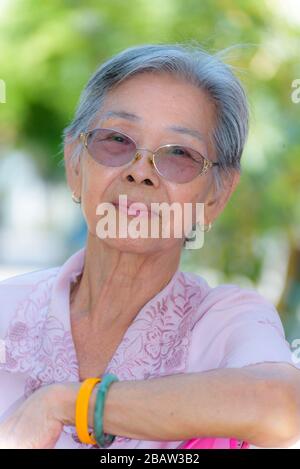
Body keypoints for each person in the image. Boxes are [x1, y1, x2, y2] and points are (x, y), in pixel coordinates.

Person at [0, 43, 299, 449]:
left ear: (216, 195)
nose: (141, 172)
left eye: (179, 154)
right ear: (74, 164)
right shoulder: (7, 308)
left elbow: (282, 408)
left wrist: (69, 404)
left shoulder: (222, 321)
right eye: (117, 140)